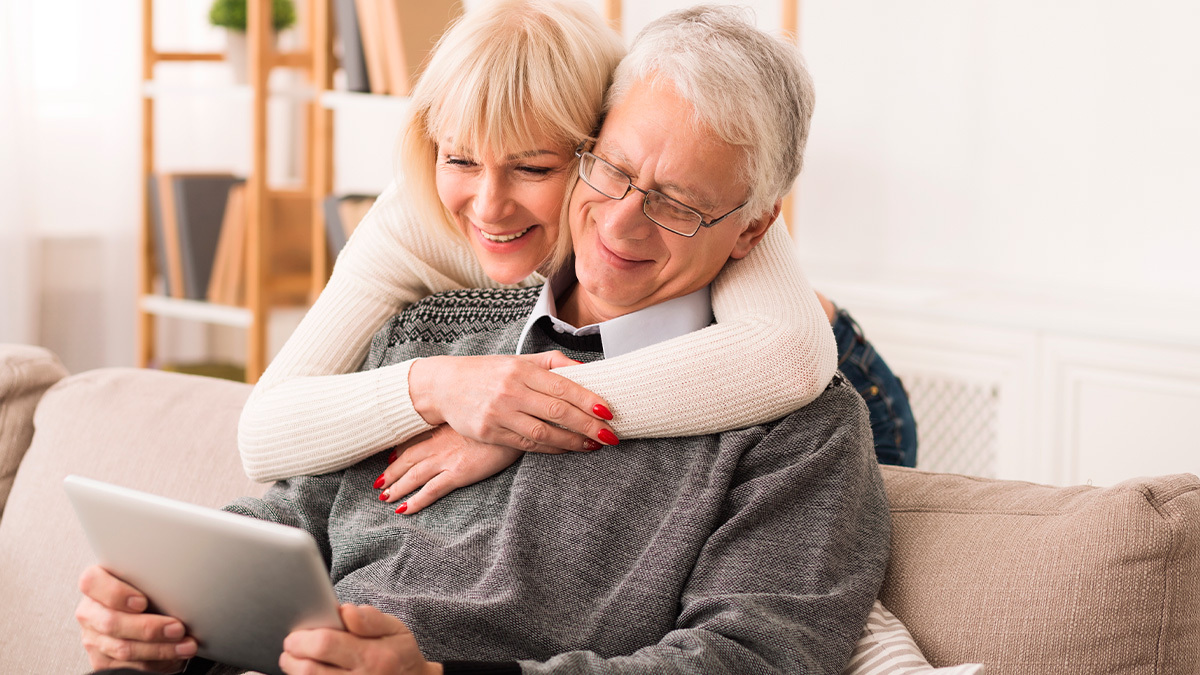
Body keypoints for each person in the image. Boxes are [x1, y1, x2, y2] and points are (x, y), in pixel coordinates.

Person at [75, 7, 891, 674]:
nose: (617, 223)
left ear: (752, 231)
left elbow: (754, 658)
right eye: (609, 171)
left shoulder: (801, 424)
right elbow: (297, 508)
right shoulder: (437, 314)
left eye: (677, 203)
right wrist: (166, 613)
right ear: (588, 146)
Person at [235, 0, 840, 487]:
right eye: (461, 158)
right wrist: (441, 388)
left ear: (595, 134)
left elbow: (788, 356)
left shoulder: (699, 189)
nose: (489, 206)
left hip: (840, 371)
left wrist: (512, 418)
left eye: (533, 169)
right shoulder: (411, 218)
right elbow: (264, 432)